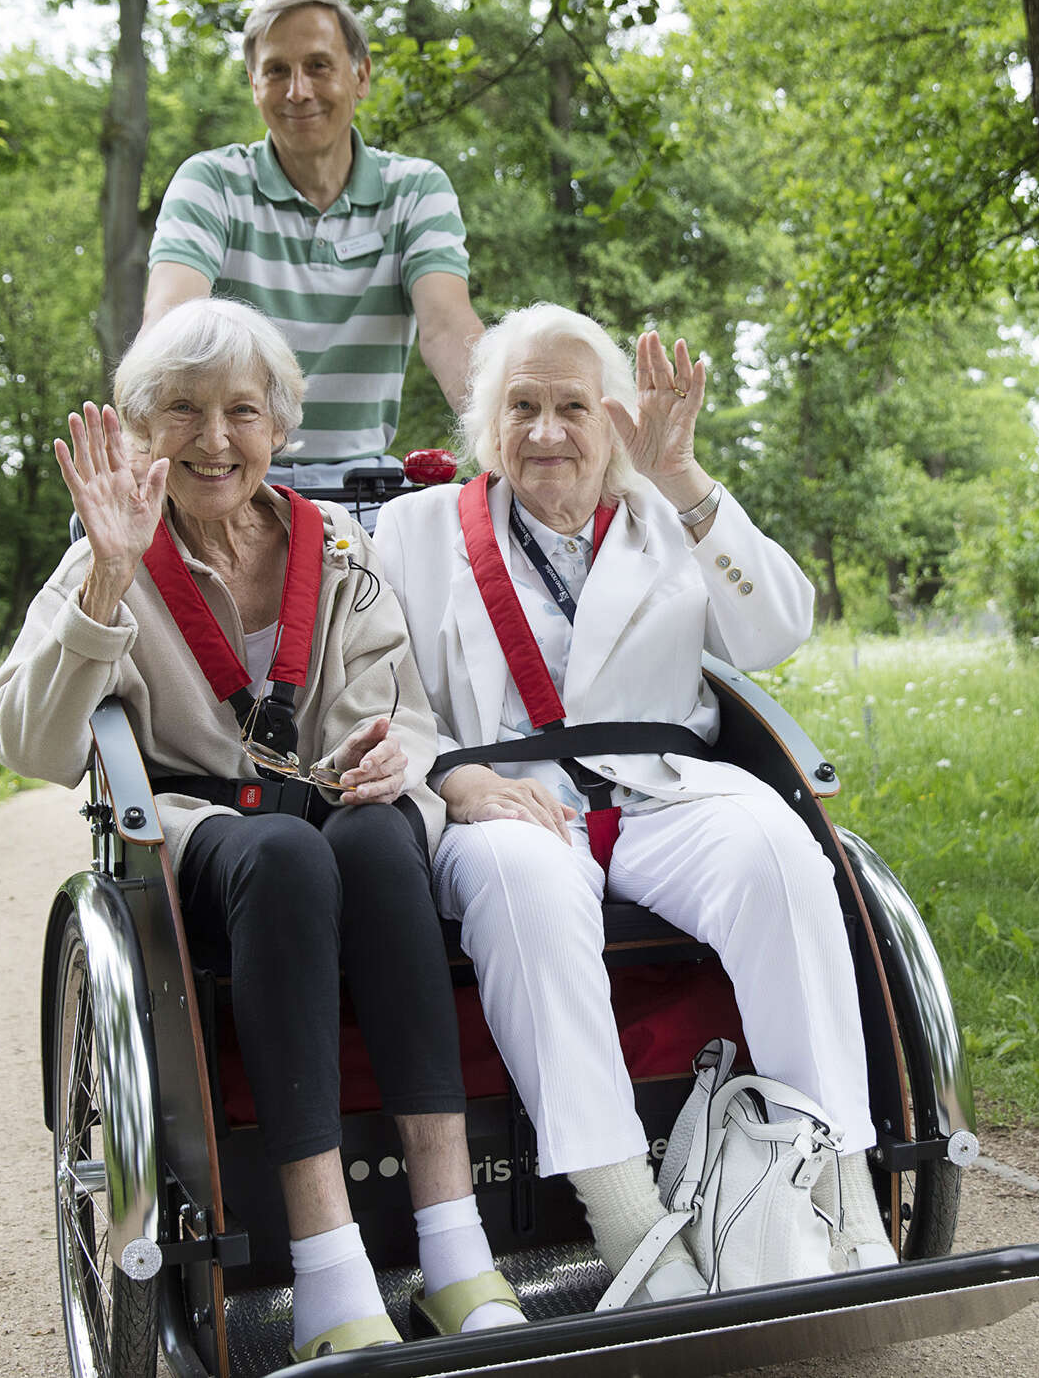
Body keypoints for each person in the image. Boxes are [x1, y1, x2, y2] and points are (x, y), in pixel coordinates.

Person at [0, 298, 521, 1359]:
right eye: (181, 410)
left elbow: (397, 704)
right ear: (142, 428)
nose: (214, 439)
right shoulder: (113, 547)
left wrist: (389, 755)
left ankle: (458, 1252)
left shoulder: (335, 545)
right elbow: (26, 742)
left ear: (280, 426)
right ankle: (329, 1274)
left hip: (330, 817)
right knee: (281, 850)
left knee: (371, 839)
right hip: (199, 833)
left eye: (241, 410)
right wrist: (105, 577)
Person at [372, 304, 897, 1304]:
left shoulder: (667, 509)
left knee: (780, 849)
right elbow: (366, 696)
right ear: (488, 424)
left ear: (611, 418)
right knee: (520, 879)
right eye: (520, 405)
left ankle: (842, 1192)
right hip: (506, 793)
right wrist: (450, 777)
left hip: (665, 789)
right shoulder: (415, 530)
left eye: (572, 404)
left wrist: (687, 478)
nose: (546, 430)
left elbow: (777, 629)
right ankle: (629, 1224)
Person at [145, 0, 484, 487]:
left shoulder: (415, 189)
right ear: (254, 83)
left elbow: (448, 328)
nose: (297, 90)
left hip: (362, 487)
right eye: (277, 70)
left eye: (319, 66)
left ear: (361, 75)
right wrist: (139, 444)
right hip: (223, 473)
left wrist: (509, 430)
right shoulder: (210, 182)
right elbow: (168, 326)